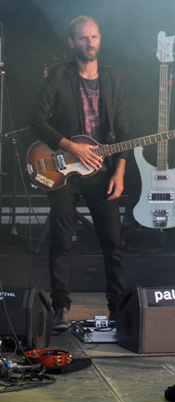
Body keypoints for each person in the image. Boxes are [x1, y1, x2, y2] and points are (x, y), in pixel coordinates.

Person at [29, 15, 129, 330]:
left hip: (102, 171)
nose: (90, 43)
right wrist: (72, 147)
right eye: (83, 38)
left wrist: (120, 172)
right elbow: (36, 120)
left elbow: (124, 130)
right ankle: (60, 307)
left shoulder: (114, 78)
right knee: (61, 240)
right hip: (64, 169)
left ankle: (118, 308)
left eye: (94, 37)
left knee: (113, 242)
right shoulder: (59, 75)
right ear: (72, 42)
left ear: (100, 39)